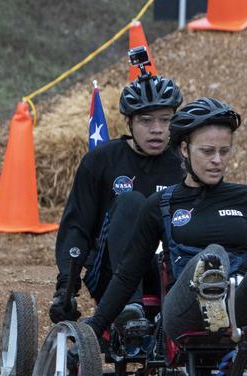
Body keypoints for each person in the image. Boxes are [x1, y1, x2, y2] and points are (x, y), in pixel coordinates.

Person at [83, 97, 247, 376]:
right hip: (183, 312)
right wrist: (96, 326)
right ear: (184, 149)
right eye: (207, 151)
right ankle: (212, 304)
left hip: (238, 310)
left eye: (224, 151)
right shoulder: (161, 204)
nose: (217, 160)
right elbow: (128, 274)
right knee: (214, 254)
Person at [49, 69, 184, 324]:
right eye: (146, 121)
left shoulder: (183, 164)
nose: (157, 129)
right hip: (112, 273)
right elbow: (77, 227)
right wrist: (66, 287)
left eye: (165, 120)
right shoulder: (100, 161)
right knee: (132, 202)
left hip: (169, 270)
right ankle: (129, 306)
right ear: (129, 122)